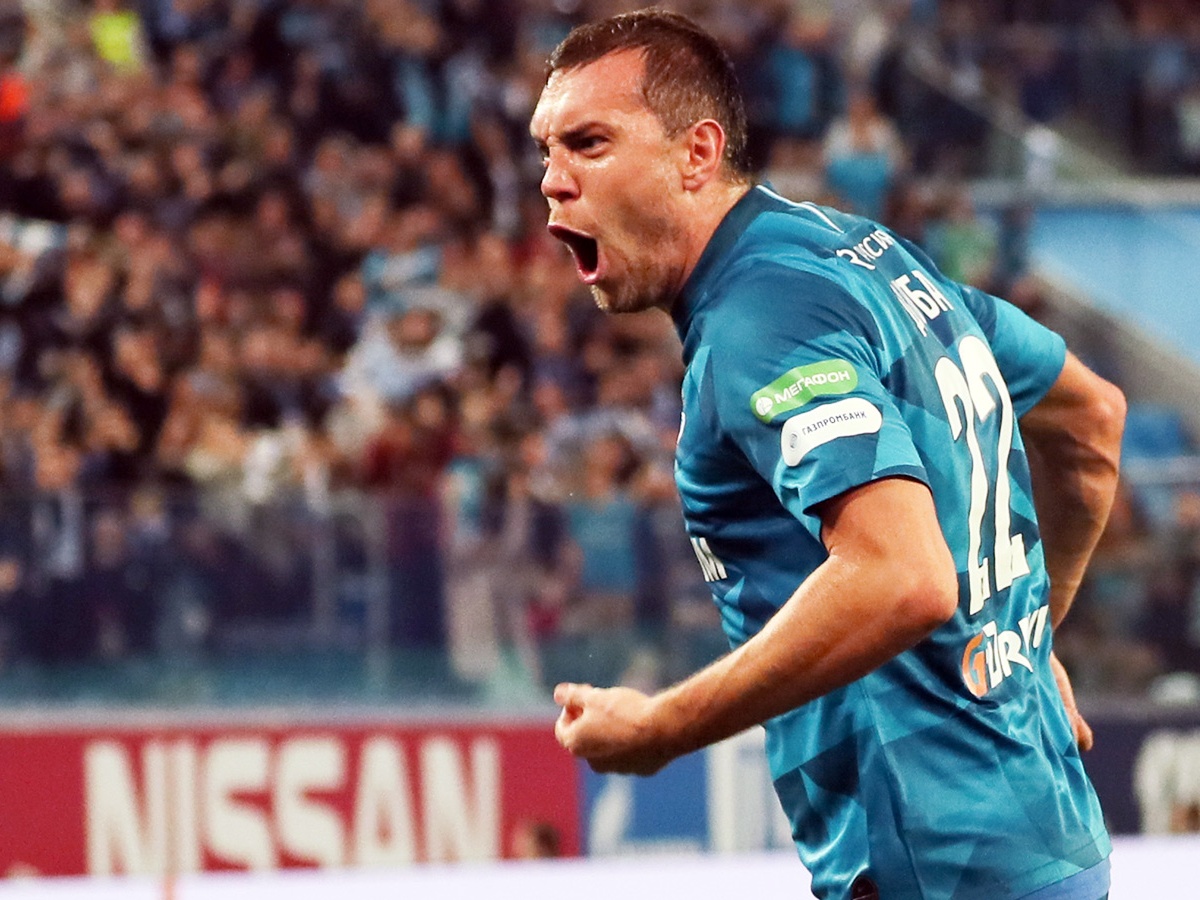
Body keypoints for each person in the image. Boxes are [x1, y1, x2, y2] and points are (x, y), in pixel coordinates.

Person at [530, 9, 1124, 900]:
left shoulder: (759, 321)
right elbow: (1091, 423)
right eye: (546, 151)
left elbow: (901, 577)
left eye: (589, 143)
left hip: (937, 862)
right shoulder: (866, 257)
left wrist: (662, 728)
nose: (552, 182)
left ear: (697, 153)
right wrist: (1028, 642)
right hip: (1050, 840)